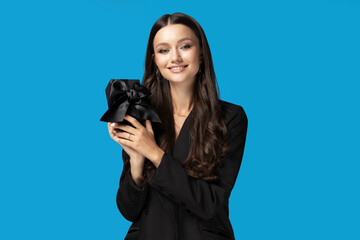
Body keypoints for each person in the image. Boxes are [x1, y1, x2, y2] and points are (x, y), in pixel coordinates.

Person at [107, 12, 248, 240]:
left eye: (184, 46)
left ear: (201, 53)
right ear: (155, 60)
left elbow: (211, 205)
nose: (175, 57)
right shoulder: (141, 113)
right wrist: (136, 160)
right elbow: (129, 210)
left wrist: (153, 152)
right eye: (164, 50)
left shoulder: (230, 118)